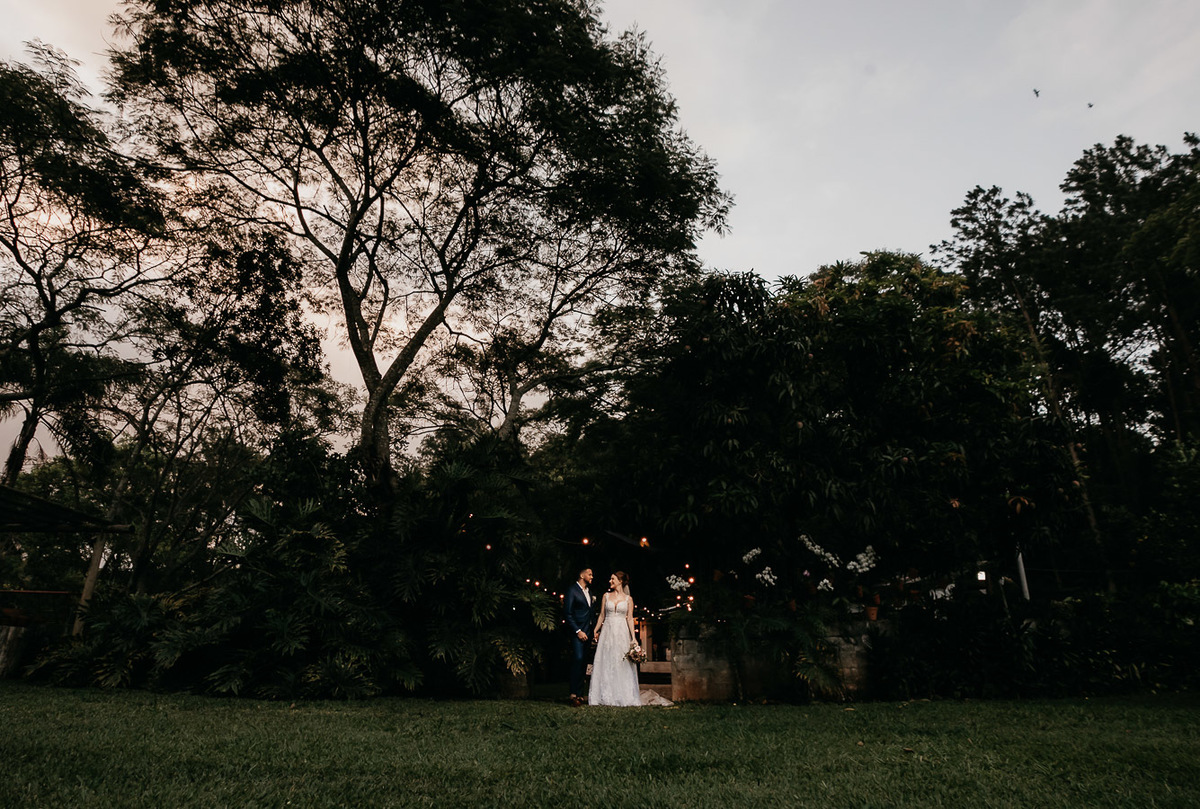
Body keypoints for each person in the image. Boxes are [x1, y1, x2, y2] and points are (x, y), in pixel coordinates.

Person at [588, 570, 642, 707]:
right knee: (607, 659)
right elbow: (602, 615)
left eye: (613, 579)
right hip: (608, 631)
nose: (610, 581)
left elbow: (630, 619)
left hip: (622, 632)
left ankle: (623, 694)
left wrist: (633, 638)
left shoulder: (628, 599)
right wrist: (595, 630)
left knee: (621, 661)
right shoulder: (606, 596)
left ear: (620, 581)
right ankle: (605, 694)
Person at [563, 567, 595, 707]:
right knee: (578, 659)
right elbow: (568, 614)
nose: (592, 577)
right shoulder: (572, 590)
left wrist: (594, 631)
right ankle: (573, 694)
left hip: (588, 632)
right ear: (582, 575)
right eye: (590, 574)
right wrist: (578, 631)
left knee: (584, 663)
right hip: (578, 633)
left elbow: (591, 613)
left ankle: (580, 694)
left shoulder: (589, 592)